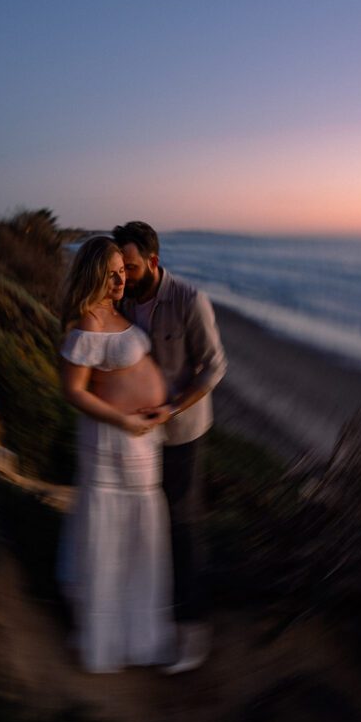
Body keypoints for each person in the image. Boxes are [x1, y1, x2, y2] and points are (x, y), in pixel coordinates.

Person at [112, 221, 227, 674]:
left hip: (181, 434)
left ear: (154, 261)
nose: (124, 276)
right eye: (120, 267)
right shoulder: (121, 297)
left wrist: (173, 409)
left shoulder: (189, 301)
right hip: (136, 434)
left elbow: (214, 367)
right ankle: (152, 613)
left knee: (181, 522)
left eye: (131, 267)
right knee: (144, 520)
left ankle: (193, 631)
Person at [58, 235, 175, 673]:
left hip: (142, 445)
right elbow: (73, 392)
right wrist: (124, 421)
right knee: (114, 528)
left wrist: (158, 409)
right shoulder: (87, 324)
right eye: (110, 275)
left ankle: (137, 630)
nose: (119, 280)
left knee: (140, 532)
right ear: (92, 275)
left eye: (122, 272)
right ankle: (107, 636)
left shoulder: (117, 312)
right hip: (112, 443)